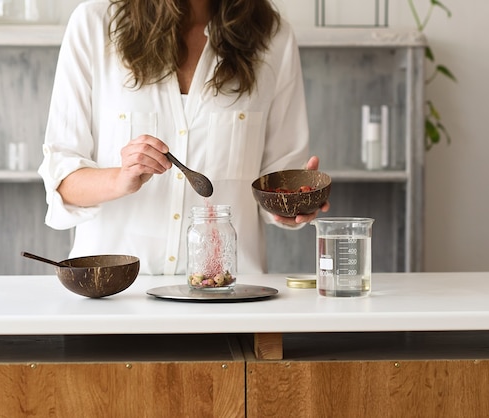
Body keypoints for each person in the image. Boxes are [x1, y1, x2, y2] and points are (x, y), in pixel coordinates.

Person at [38, 0, 329, 275]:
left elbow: (277, 181)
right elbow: (62, 183)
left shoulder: (273, 38)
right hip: (113, 296)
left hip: (226, 298)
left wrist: (295, 203)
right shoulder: (94, 25)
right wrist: (118, 179)